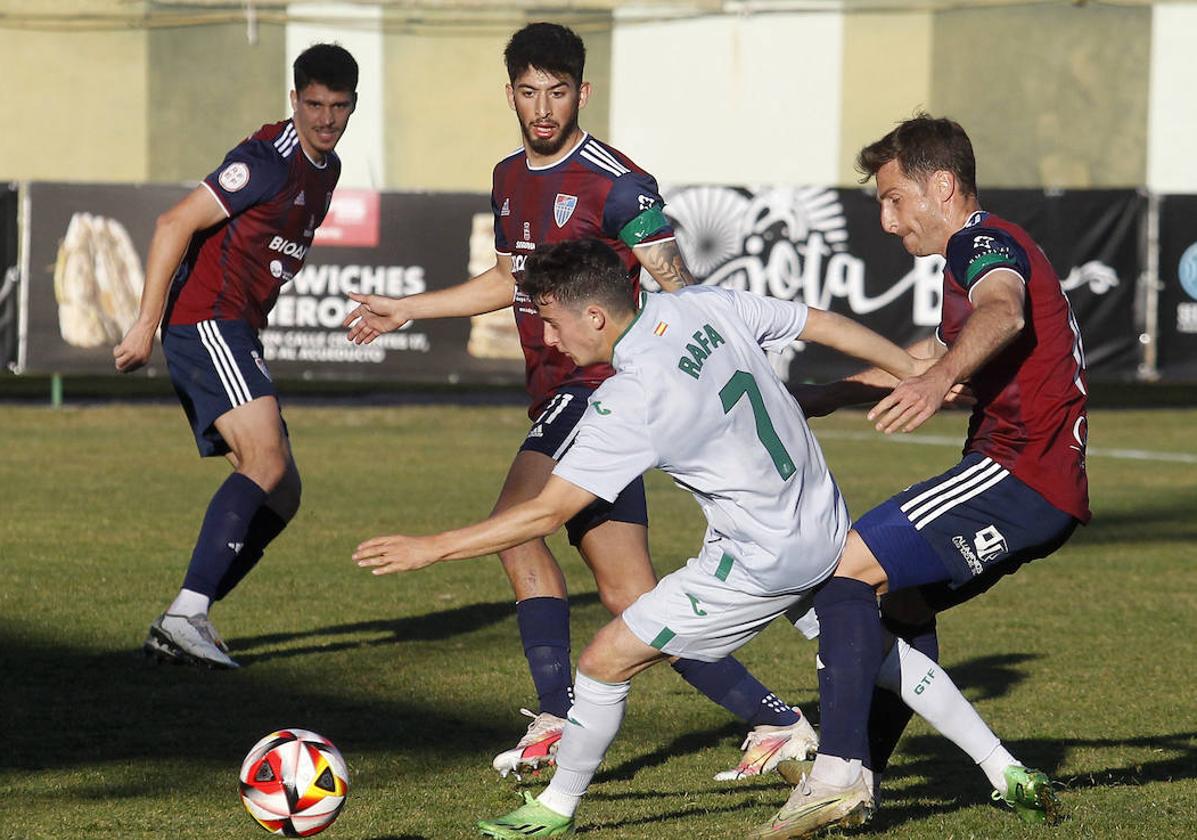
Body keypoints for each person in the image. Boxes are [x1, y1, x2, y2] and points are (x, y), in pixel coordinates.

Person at [343, 22, 815, 780]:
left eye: (557, 91)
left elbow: (682, 293)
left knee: (516, 523)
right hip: (559, 394)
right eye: (527, 91)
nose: (542, 107)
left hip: (600, 389)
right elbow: (510, 280)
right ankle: (777, 720)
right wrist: (409, 308)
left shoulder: (616, 183)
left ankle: (558, 715)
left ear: (581, 93)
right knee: (629, 592)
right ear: (509, 94)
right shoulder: (507, 176)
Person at [352, 238, 926, 837]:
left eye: (550, 322)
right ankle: (1003, 765)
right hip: (822, 520)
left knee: (603, 661)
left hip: (759, 558)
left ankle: (555, 805)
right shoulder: (699, 304)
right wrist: (911, 369)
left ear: (593, 315)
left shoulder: (628, 397)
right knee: (870, 648)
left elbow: (546, 513)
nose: (547, 339)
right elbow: (819, 321)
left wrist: (431, 548)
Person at [750, 113, 1088, 838]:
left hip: (1016, 471)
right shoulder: (968, 258)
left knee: (841, 570)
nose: (886, 218)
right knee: (898, 606)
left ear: (941, 186)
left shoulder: (982, 242)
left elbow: (1002, 313)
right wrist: (833, 394)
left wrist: (936, 383)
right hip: (1034, 482)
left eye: (893, 197)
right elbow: (931, 350)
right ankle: (857, 775)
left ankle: (838, 771)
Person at [113, 44, 359, 669]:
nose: (325, 120)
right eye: (313, 105)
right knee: (266, 459)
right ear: (294, 99)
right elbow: (174, 224)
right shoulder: (267, 160)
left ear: (352, 106)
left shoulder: (325, 170)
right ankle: (185, 615)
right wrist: (145, 325)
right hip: (205, 322)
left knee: (282, 494)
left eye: (337, 107)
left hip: (235, 328)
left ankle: (186, 615)